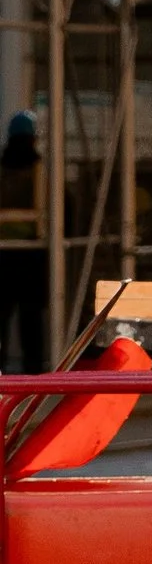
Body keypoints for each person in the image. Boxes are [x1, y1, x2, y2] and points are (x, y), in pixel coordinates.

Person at [0, 111, 42, 373]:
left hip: (3, 252)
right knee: (31, 316)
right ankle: (34, 369)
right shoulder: (38, 169)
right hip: (33, 251)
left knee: (2, 315)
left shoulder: (3, 167)